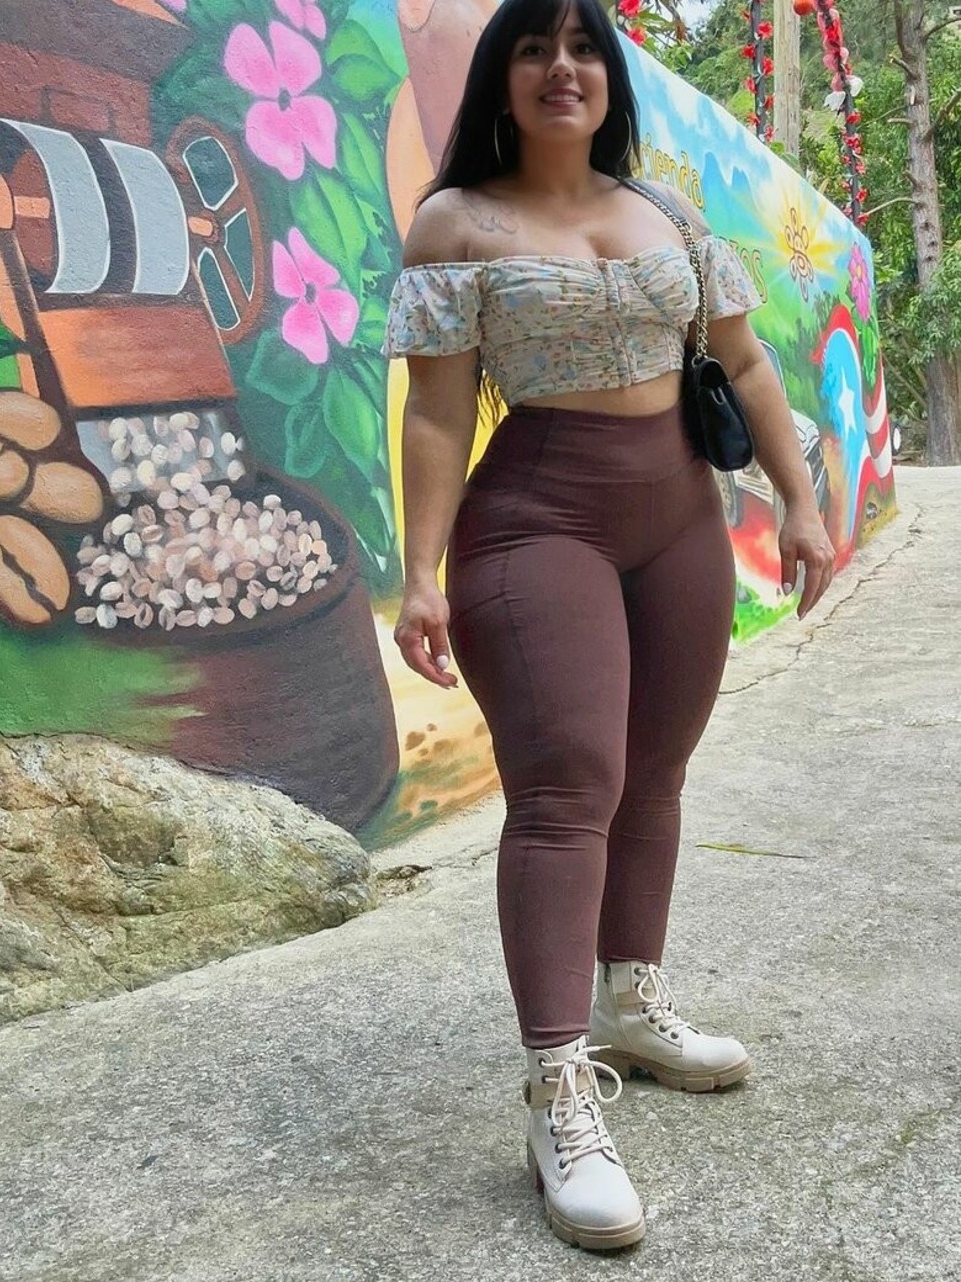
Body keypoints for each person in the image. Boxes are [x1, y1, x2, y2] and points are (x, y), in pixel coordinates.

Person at [382, 0, 836, 1252]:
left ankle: (630, 1000)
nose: (562, 68)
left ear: (609, 74)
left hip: (682, 515)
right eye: (534, 47)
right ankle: (558, 1092)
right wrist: (420, 572)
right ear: (501, 74)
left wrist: (800, 503)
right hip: (538, 521)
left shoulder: (666, 212)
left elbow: (745, 362)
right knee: (567, 782)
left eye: (584, 46)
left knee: (657, 769)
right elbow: (437, 413)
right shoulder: (455, 222)